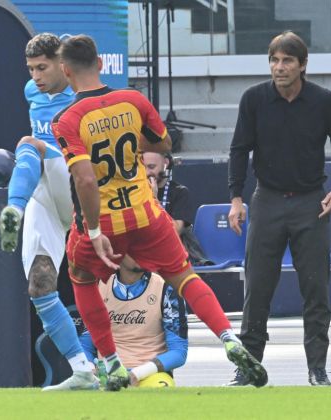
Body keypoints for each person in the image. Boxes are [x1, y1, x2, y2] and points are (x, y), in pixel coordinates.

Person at [53, 34, 267, 391]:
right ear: (101, 64)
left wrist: (92, 232)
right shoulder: (134, 100)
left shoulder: (67, 118)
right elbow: (165, 144)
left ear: (65, 71)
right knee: (184, 277)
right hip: (145, 213)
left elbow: (86, 180)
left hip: (104, 220)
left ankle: (111, 362)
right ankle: (229, 337)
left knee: (81, 277)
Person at [227, 31, 331, 387]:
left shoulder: (324, 101)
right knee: (257, 288)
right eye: (274, 60)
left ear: (303, 65)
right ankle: (249, 367)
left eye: (287, 61)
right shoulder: (253, 99)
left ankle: (317, 368)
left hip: (310, 203)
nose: (279, 67)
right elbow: (239, 150)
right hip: (266, 200)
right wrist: (236, 198)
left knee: (316, 290)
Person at [0, 33, 98, 391]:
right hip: (45, 196)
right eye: (31, 69)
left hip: (76, 188)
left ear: (63, 65)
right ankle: (82, 370)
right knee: (39, 285)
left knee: (30, 144)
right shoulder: (31, 92)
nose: (36, 76)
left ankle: (13, 207)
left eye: (43, 67)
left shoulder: (83, 97)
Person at [79, 257, 187, 387]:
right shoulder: (97, 286)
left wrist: (139, 373)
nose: (139, 252)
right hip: (107, 374)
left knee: (161, 391)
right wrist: (89, 367)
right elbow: (85, 344)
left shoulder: (167, 289)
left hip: (151, 375)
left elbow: (179, 352)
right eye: (132, 247)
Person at [142, 151, 211, 265]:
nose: (147, 173)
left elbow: (175, 231)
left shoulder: (179, 192)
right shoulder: (137, 193)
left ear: (165, 163)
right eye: (143, 167)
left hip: (172, 253)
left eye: (151, 167)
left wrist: (154, 200)